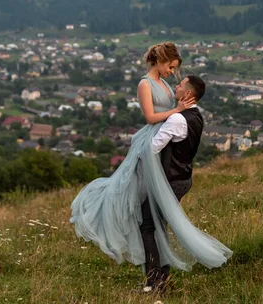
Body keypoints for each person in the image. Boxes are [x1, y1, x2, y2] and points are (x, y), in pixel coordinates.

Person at [70, 42, 232, 288]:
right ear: (161, 61)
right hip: (152, 142)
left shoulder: (166, 86)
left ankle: (156, 277)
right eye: (171, 67)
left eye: (176, 70)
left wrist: (176, 112)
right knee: (143, 212)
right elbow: (149, 117)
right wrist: (176, 110)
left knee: (151, 221)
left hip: (162, 149)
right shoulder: (145, 84)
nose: (173, 73)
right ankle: (156, 275)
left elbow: (174, 122)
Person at [140, 74, 210, 292]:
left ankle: (154, 282)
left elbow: (152, 146)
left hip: (169, 181)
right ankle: (161, 279)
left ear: (187, 94)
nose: (175, 87)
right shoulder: (197, 116)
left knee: (148, 226)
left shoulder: (178, 118)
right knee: (157, 227)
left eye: (179, 85)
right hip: (183, 178)